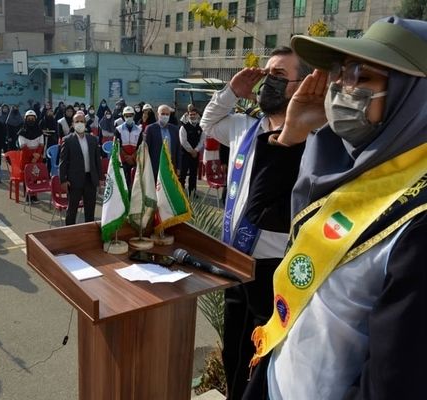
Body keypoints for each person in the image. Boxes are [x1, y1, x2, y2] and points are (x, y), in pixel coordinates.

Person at [240, 16, 427, 400]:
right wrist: (293, 136)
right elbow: (263, 213)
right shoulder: (346, 168)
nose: (343, 87)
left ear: (414, 96)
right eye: (340, 73)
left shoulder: (418, 218)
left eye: (364, 76)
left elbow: (395, 382)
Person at [200, 46, 311, 399]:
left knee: (266, 356)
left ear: (301, 85)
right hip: (235, 261)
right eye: (267, 74)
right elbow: (208, 124)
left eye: (279, 76)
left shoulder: (313, 139)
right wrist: (233, 91)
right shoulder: (246, 127)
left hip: (274, 268)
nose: (269, 82)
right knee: (234, 349)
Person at [59, 111, 102, 225]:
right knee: (72, 211)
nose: (79, 123)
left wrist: (100, 178)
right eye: (77, 121)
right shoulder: (67, 140)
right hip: (74, 181)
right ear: (72, 124)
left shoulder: (93, 139)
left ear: (85, 123)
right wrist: (63, 180)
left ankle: (88, 235)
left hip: (90, 180)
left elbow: (97, 160)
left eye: (82, 121)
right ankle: (70, 235)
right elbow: (63, 162)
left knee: (90, 211)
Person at [141, 104, 180, 179]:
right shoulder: (150, 129)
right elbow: (145, 149)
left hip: (171, 167)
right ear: (157, 115)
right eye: (162, 114)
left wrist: (178, 167)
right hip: (155, 167)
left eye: (167, 114)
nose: (165, 116)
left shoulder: (175, 129)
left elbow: (178, 150)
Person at [114, 106, 142, 189]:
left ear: (133, 116)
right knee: (123, 182)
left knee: (134, 182)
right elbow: (117, 144)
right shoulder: (118, 129)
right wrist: (127, 157)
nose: (128, 117)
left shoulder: (139, 130)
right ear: (123, 116)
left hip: (135, 159)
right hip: (122, 160)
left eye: (130, 115)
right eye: (126, 116)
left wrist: (132, 157)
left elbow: (140, 145)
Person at [178, 107, 204, 197]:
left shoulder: (201, 127)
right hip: (185, 154)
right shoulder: (183, 127)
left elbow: (202, 141)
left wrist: (196, 150)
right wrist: (191, 151)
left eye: (194, 114)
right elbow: (183, 141)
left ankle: (192, 193)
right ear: (188, 115)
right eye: (190, 115)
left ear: (197, 115)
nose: (192, 116)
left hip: (195, 154)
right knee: (182, 174)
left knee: (193, 174)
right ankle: (180, 193)